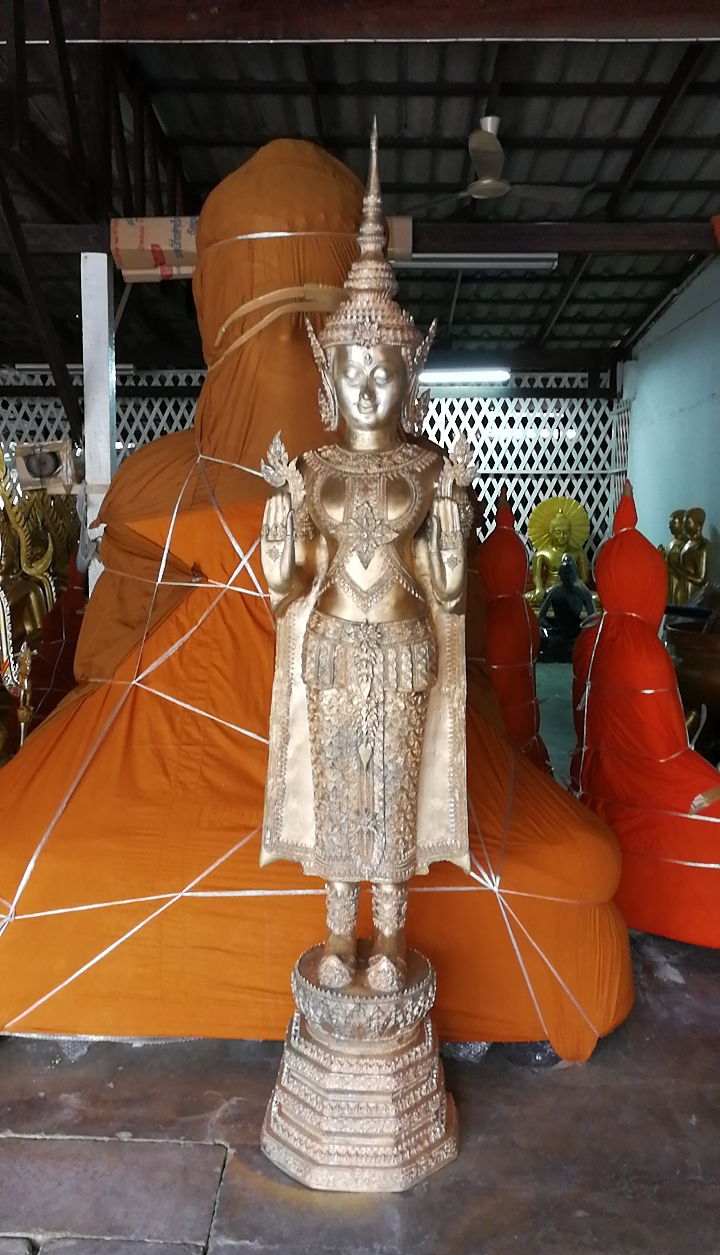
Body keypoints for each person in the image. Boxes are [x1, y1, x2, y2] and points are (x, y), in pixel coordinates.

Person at [259, 123, 474, 994]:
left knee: (390, 796)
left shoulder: (427, 470)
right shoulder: (312, 471)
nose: (367, 387)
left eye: (383, 371)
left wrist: (451, 539)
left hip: (404, 650)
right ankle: (336, 936)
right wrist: (278, 548)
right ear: (329, 377)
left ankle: (388, 940)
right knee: (339, 794)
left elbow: (448, 593)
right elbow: (290, 589)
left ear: (408, 377)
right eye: (352, 371)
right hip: (332, 651)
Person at [538, 552, 596, 662]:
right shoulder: (552, 592)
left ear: (575, 574)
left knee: (591, 637)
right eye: (565, 572)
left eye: (570, 572)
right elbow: (540, 618)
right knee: (541, 634)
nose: (568, 576)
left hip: (575, 633)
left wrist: (584, 628)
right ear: (560, 574)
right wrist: (550, 627)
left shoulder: (583, 593)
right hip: (558, 633)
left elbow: (592, 618)